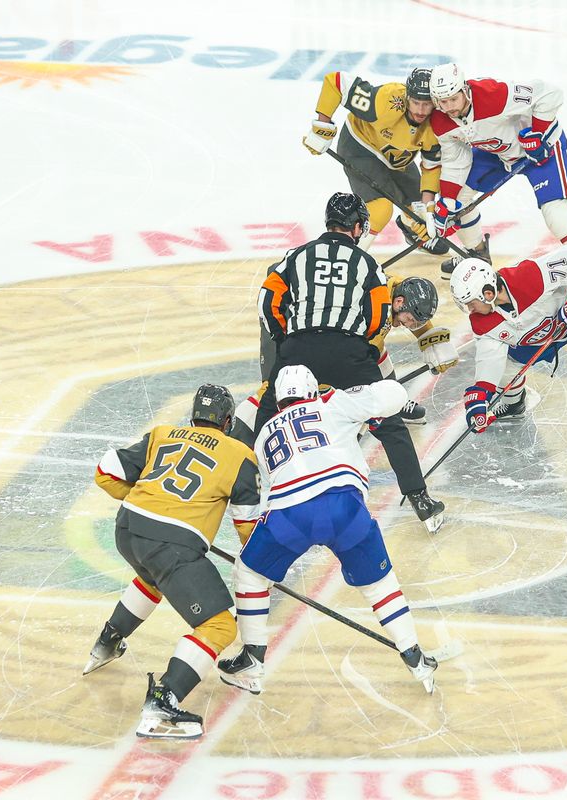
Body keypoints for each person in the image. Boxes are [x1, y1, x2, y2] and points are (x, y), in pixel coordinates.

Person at [218, 365, 439, 695]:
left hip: (287, 513)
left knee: (250, 573)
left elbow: (267, 490)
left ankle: (252, 658)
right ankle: (414, 655)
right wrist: (367, 413)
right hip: (344, 507)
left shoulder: (264, 435)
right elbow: (395, 394)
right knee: (380, 585)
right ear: (312, 390)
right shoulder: (331, 402)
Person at [255, 191, 446, 532]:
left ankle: (255, 490)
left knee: (269, 415)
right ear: (357, 227)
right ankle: (420, 499)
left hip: (298, 348)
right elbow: (376, 317)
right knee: (390, 425)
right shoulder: (366, 263)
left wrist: (287, 341)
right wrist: (359, 350)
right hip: (348, 352)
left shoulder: (297, 255)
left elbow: (268, 299)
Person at [82, 384, 261, 740]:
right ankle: (164, 699)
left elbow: (105, 472)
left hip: (128, 528)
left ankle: (108, 639)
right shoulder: (240, 454)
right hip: (171, 545)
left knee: (152, 579)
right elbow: (247, 527)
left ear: (193, 416)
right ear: (227, 421)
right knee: (220, 627)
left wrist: (147, 502)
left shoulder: (161, 434)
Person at [426, 61, 567, 312]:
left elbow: (549, 93)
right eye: (442, 102)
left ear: (464, 90)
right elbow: (456, 160)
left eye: (453, 98)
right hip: (498, 153)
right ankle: (477, 254)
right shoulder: (441, 121)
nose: (448, 107)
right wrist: (448, 202)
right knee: (460, 198)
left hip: (539, 152)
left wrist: (538, 134)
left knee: (557, 216)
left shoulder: (492, 95)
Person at [449, 247, 567, 487]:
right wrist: (481, 394)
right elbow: (490, 359)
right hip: (548, 331)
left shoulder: (527, 277)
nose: (470, 311)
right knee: (506, 364)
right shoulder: (483, 320)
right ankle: (515, 402)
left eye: (470, 303)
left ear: (487, 292)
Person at [233, 274, 458, 437]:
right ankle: (241, 428)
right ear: (398, 302)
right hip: (290, 326)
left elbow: (409, 312)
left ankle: (391, 403)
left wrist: (429, 338)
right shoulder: (372, 307)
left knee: (372, 353)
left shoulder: (396, 290)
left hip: (324, 330)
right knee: (282, 384)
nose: (408, 325)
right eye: (411, 320)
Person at [303, 67, 447, 255]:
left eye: (426, 104)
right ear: (407, 97)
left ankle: (409, 225)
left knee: (418, 208)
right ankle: (351, 257)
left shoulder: (438, 122)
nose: (420, 111)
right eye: (416, 102)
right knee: (380, 209)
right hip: (359, 146)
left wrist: (427, 208)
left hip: (396, 157)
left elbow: (431, 166)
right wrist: (323, 126)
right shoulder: (386, 101)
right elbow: (336, 82)